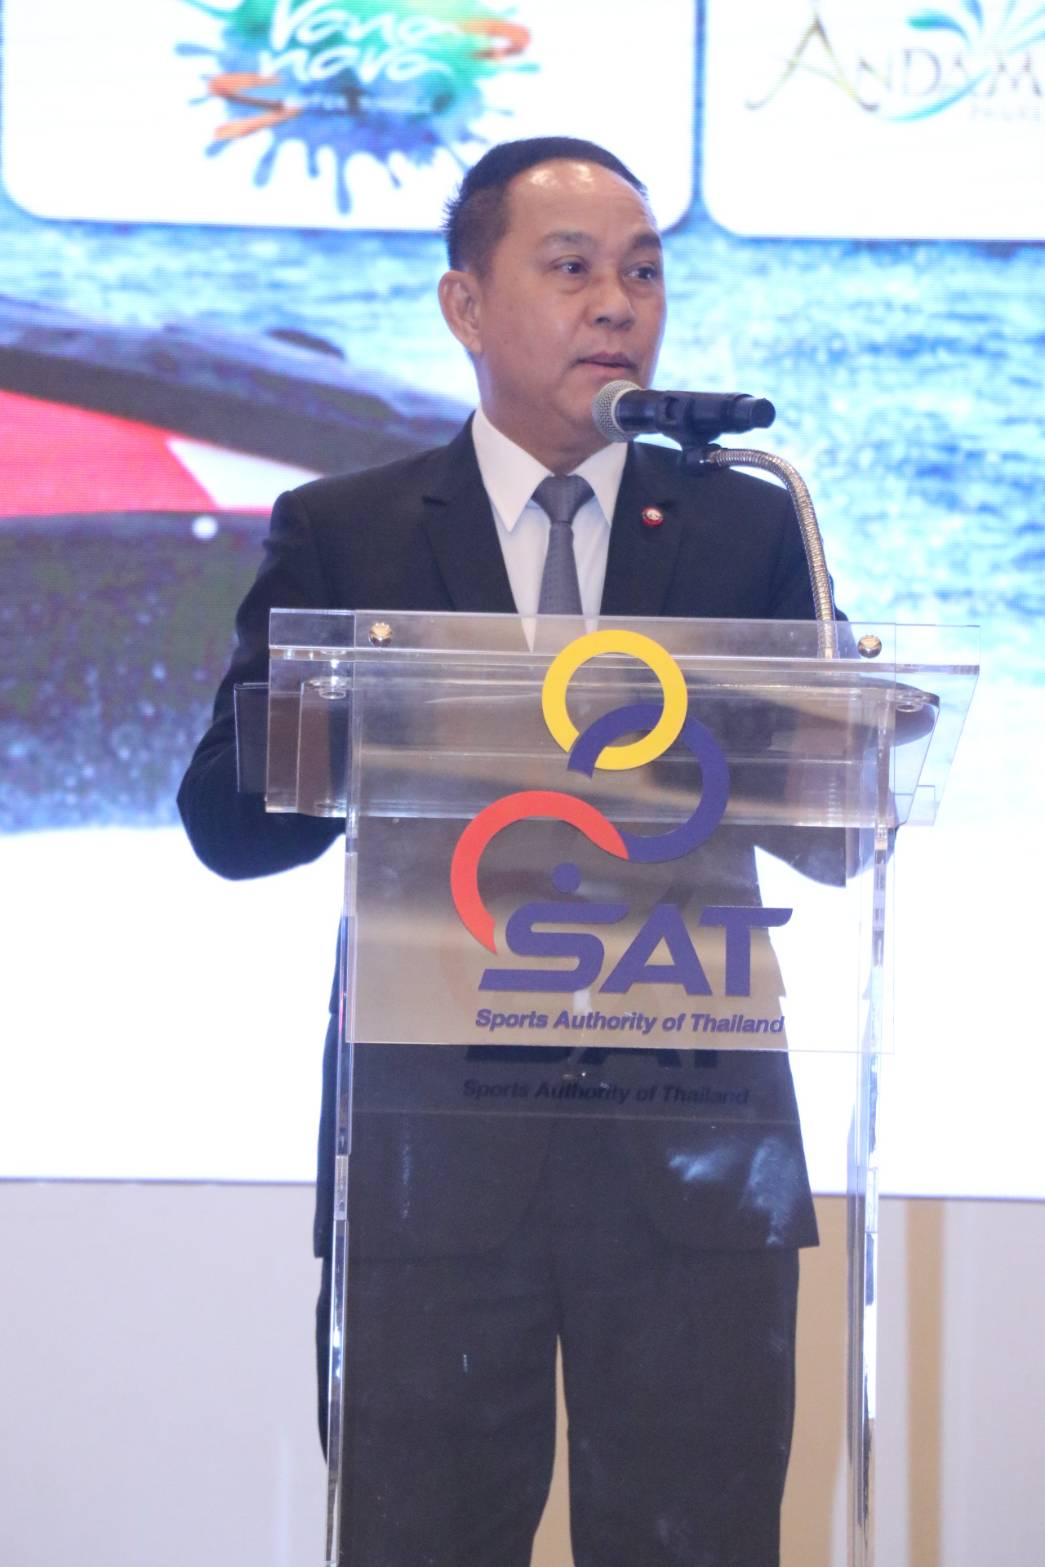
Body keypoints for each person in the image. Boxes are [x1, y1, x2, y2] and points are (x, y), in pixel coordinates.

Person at [179, 137, 833, 1567]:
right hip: (429, 1167)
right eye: (573, 267)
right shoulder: (347, 534)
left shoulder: (750, 521)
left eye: (643, 273)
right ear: (464, 305)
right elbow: (227, 824)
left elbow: (835, 823)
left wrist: (843, 734)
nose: (618, 304)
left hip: (693, 1161)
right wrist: (374, 723)